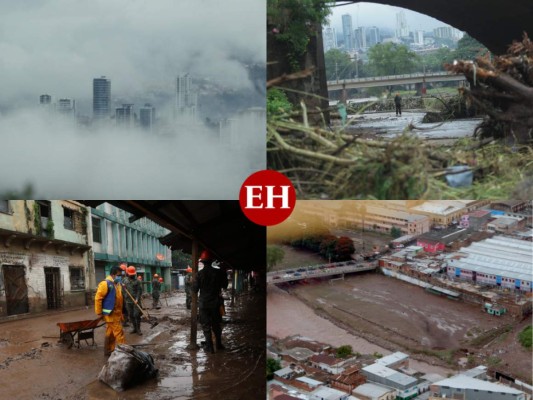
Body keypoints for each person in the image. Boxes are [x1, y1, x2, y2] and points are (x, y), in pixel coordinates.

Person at [193, 251, 228, 353]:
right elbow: (225, 286)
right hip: (215, 303)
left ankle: (210, 347)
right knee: (216, 324)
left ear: (202, 262)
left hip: (203, 304)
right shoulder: (219, 273)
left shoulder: (199, 274)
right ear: (212, 261)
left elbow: (194, 290)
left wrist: (193, 282)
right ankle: (219, 344)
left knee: (206, 326)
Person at [95, 266, 126, 356]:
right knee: (119, 333)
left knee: (110, 333)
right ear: (113, 274)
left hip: (117, 313)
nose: (120, 277)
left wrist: (122, 313)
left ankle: (108, 349)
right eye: (119, 275)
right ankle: (124, 353)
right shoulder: (105, 284)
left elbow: (119, 299)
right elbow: (98, 298)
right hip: (111, 314)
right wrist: (99, 312)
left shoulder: (117, 284)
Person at [124, 265, 143, 335]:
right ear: (128, 273)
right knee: (131, 315)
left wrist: (137, 299)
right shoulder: (125, 280)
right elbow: (123, 289)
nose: (131, 275)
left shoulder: (138, 281)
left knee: (137, 315)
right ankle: (134, 328)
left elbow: (139, 291)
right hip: (128, 301)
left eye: (132, 274)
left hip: (136, 301)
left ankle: (138, 329)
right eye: (130, 274)